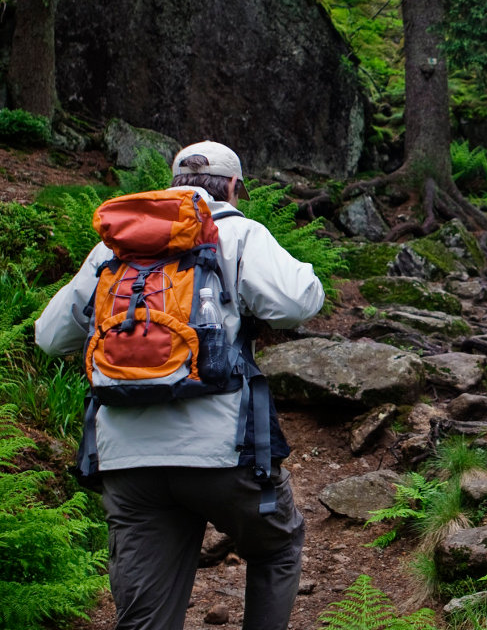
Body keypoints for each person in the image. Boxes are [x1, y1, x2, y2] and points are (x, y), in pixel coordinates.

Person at [35, 140, 324, 630]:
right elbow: (299, 301)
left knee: (147, 616)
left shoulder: (116, 244)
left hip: (126, 456)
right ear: (234, 187)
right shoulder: (238, 232)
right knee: (277, 546)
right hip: (220, 452)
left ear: (172, 185)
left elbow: (49, 337)